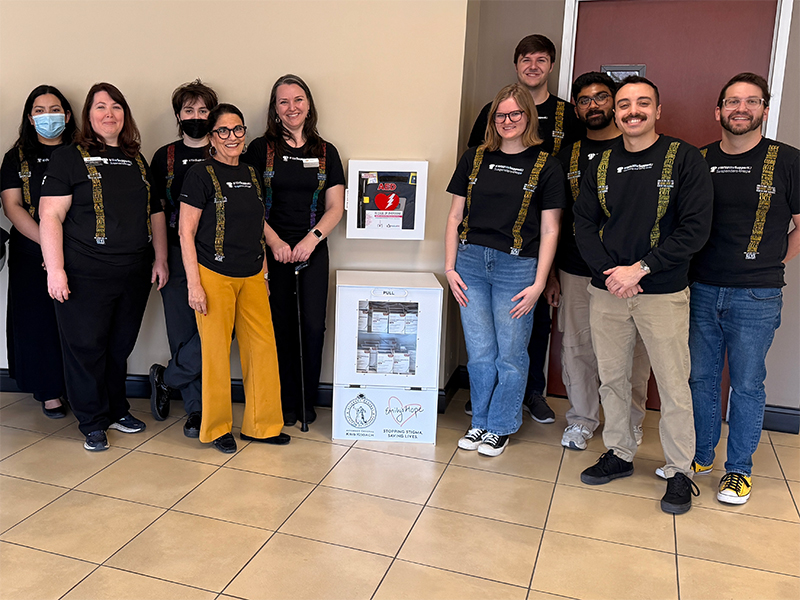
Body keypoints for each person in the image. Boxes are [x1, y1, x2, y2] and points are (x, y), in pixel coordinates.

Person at [573, 76, 713, 514]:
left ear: (657, 111)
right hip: (609, 291)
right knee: (613, 380)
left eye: (642, 103)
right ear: (616, 113)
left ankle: (679, 471)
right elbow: (584, 224)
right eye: (624, 104)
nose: (632, 111)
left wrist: (641, 269)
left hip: (663, 293)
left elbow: (695, 229)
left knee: (672, 385)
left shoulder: (685, 159)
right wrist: (611, 274)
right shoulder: (600, 162)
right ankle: (618, 452)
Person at [685, 73, 799, 505]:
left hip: (756, 295)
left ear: (764, 110)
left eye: (751, 102)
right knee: (701, 379)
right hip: (700, 289)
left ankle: (739, 470)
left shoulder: (788, 161)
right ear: (718, 111)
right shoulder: (696, 159)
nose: (741, 108)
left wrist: (768, 265)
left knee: (748, 384)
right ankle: (700, 456)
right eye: (732, 101)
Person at [39, 82, 168, 451]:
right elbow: (50, 215)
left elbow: (155, 211)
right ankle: (93, 421)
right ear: (88, 116)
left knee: (118, 346)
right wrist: (55, 269)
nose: (108, 113)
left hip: (133, 271)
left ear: (124, 114)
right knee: (85, 348)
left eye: (115, 106)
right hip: (84, 271)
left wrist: (160, 258)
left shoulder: (136, 159)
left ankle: (116, 409)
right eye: (99, 107)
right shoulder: (69, 157)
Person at [466, 34, 584, 423]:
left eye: (541, 60)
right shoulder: (491, 112)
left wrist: (547, 271)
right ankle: (489, 401)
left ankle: (529, 394)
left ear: (551, 65)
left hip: (544, 236)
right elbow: (472, 180)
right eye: (525, 59)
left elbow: (572, 184)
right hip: (487, 244)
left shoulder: (568, 117)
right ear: (516, 64)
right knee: (488, 338)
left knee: (533, 325)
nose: (533, 66)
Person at [446, 83, 564, 457]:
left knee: (511, 354)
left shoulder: (547, 165)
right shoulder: (474, 158)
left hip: (518, 269)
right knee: (479, 352)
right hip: (470, 263)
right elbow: (453, 216)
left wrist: (540, 282)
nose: (507, 121)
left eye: (515, 114)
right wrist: (449, 267)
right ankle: (479, 420)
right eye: (501, 115)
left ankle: (500, 425)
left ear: (528, 116)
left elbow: (550, 229)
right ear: (492, 119)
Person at [547, 72, 652, 451]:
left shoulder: (640, 152)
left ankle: (629, 424)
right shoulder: (566, 157)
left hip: (630, 275)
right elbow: (554, 220)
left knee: (633, 354)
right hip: (575, 270)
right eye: (585, 100)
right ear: (576, 107)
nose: (594, 105)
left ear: (615, 103)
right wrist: (552, 276)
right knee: (576, 349)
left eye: (602, 97)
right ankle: (581, 419)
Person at [179, 103, 288, 454]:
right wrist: (194, 283)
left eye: (238, 129)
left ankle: (263, 425)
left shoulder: (252, 172)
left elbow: (255, 222)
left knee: (262, 349)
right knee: (215, 354)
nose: (232, 137)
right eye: (223, 131)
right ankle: (216, 428)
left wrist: (266, 270)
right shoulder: (199, 175)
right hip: (213, 275)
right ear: (212, 137)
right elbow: (185, 231)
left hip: (254, 273)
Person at [242, 74, 345, 427]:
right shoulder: (259, 149)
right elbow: (249, 202)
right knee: (279, 326)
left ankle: (306, 399)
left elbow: (336, 207)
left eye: (298, 100)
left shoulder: (327, 151)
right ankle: (284, 401)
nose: (292, 108)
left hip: (312, 248)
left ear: (309, 105)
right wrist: (275, 242)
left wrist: (310, 240)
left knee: (314, 326)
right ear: (275, 109)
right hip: (271, 250)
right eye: (284, 102)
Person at [1, 85, 77, 419]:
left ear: (68, 115)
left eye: (55, 109)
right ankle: (49, 392)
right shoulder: (15, 157)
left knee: (77, 324)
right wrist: (46, 246)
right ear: (30, 118)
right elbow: (12, 207)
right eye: (40, 111)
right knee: (38, 324)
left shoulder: (81, 152)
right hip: (31, 253)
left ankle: (78, 387)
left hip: (77, 250)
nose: (49, 116)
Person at [148, 80, 219, 438]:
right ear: (178, 115)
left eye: (203, 110)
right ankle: (196, 410)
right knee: (183, 332)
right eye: (189, 110)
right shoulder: (165, 157)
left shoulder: (228, 151)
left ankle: (166, 377)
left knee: (217, 330)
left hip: (219, 256)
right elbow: (157, 211)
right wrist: (160, 259)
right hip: (176, 254)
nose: (196, 117)